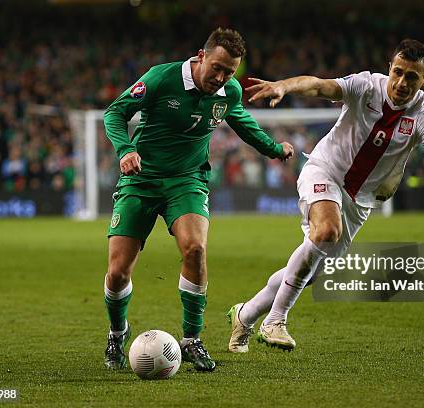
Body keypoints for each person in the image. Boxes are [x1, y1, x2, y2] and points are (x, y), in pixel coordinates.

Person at [227, 39, 424, 352]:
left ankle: (245, 314)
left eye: (412, 77)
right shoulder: (366, 86)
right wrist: (285, 85)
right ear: (389, 67)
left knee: (309, 272)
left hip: (359, 201)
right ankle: (275, 320)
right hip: (324, 171)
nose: (402, 82)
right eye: (398, 72)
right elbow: (319, 86)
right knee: (326, 231)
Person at [102, 28, 294, 371]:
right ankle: (118, 332)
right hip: (140, 181)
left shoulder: (228, 92)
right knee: (118, 272)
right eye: (217, 67)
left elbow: (243, 124)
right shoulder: (161, 78)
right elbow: (115, 113)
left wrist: (275, 149)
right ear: (201, 56)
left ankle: (191, 339)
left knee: (196, 249)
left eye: (229, 72)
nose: (220, 78)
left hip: (187, 181)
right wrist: (126, 149)